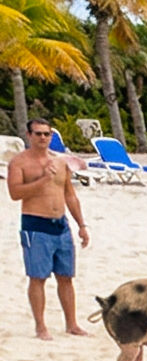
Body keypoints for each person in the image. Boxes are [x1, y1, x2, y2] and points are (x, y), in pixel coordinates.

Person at [6, 117, 90, 339]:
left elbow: (70, 195)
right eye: (38, 133)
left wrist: (81, 224)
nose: (43, 137)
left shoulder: (60, 162)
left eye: (47, 134)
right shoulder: (19, 163)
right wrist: (42, 180)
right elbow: (15, 194)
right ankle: (40, 326)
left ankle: (71, 324)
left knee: (66, 276)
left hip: (61, 225)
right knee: (38, 277)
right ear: (29, 136)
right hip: (36, 225)